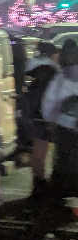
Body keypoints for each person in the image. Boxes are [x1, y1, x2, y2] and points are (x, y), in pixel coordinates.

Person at [42, 39, 78, 200]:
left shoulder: (60, 78)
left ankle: (62, 193)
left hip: (64, 125)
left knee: (63, 158)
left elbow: (49, 102)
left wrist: (50, 120)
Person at [23, 41, 60, 195]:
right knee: (43, 151)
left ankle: (38, 182)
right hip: (44, 116)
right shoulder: (50, 71)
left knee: (39, 151)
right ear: (51, 54)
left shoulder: (33, 69)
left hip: (33, 115)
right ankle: (42, 184)